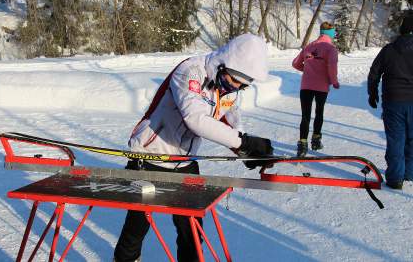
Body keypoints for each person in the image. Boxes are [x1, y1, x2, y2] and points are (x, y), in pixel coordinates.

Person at [114, 33, 274, 262]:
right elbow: (195, 119)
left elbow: (229, 122)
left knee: (191, 229)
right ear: (222, 64)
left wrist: (246, 150)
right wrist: (243, 142)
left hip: (184, 161)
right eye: (233, 80)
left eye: (242, 85)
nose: (235, 87)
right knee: (137, 225)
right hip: (149, 157)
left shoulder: (228, 88)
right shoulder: (190, 71)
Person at [367, 12, 413, 190]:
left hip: (393, 101)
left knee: (396, 139)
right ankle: (409, 172)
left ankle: (395, 178)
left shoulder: (389, 49)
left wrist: (372, 93)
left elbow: (374, 72)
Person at [292, 22, 340, 157]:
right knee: (319, 112)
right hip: (321, 86)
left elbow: (295, 63)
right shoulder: (331, 49)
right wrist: (334, 81)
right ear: (331, 34)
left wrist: (306, 70)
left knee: (305, 115)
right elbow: (332, 67)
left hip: (306, 85)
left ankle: (302, 145)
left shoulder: (309, 46)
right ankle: (316, 141)